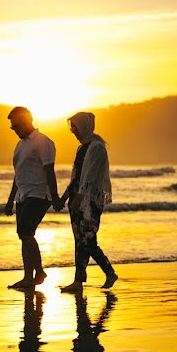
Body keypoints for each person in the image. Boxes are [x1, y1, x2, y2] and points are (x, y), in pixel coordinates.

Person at [4, 106, 64, 289]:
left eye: (17, 126)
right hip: (23, 196)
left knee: (25, 231)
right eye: (12, 128)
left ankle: (38, 272)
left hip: (39, 194)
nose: (15, 131)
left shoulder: (43, 142)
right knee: (24, 235)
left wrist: (54, 196)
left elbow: (49, 170)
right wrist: (10, 199)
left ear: (27, 121)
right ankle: (28, 277)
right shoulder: (19, 145)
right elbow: (18, 174)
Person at [60, 112, 117, 291]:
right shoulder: (81, 148)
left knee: (88, 240)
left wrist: (81, 198)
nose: (73, 131)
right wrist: (65, 197)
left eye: (75, 127)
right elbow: (76, 177)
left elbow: (90, 177)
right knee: (79, 240)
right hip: (77, 200)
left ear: (84, 126)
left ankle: (109, 272)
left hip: (91, 202)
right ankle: (78, 281)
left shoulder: (97, 147)